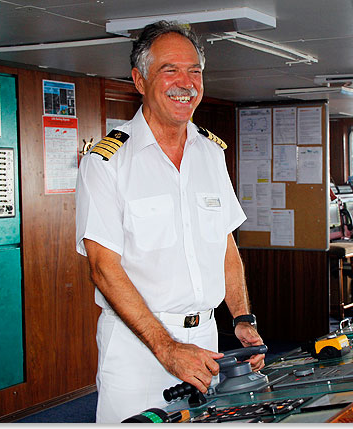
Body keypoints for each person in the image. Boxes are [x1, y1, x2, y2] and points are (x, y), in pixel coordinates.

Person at [75, 20, 265, 423]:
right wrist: (166, 348)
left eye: (194, 71)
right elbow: (102, 268)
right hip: (137, 346)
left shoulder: (211, 154)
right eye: (170, 70)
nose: (186, 82)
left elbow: (225, 246)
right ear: (139, 80)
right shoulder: (107, 162)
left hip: (206, 339)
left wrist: (243, 318)